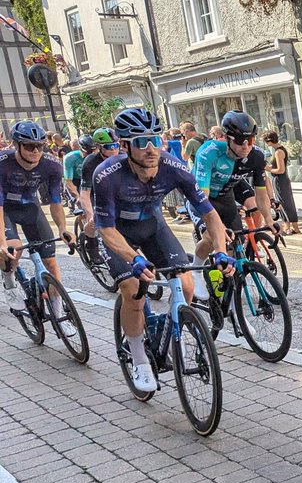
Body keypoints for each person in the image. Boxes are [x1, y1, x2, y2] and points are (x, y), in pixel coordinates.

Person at [92, 107, 234, 392]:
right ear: (124, 146)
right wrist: (133, 259)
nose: (150, 148)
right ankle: (140, 357)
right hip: (120, 235)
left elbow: (209, 215)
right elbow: (105, 229)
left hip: (154, 228)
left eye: (155, 140)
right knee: (133, 291)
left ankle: (167, 334)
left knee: (186, 286)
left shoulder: (174, 167)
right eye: (141, 142)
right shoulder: (106, 175)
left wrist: (220, 251)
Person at [189, 110, 272, 298]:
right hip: (202, 198)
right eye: (240, 141)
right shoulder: (208, 153)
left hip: (226, 198)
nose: (245, 146)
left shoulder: (256, 157)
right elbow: (203, 197)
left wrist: (268, 219)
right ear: (226, 138)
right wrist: (218, 227)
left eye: (249, 141)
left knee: (237, 241)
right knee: (212, 237)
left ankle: (231, 299)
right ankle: (195, 272)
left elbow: (260, 193)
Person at [0, 121, 74, 321]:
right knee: (13, 249)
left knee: (50, 260)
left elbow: (56, 202)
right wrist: (2, 242)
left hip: (30, 207)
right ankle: (9, 280)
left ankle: (58, 314)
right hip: (4, 209)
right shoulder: (2, 163)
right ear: (16, 145)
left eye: (39, 146)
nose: (35, 150)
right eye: (29, 146)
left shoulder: (52, 166)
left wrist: (62, 229)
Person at [77, 127, 120, 263]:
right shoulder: (90, 162)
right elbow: (85, 193)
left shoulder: (124, 156)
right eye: (109, 147)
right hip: (95, 193)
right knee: (94, 220)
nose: (114, 150)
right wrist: (90, 215)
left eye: (116, 145)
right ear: (99, 147)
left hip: (115, 191)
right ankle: (91, 245)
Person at [263, 131, 301, 235]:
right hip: (281, 179)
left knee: (283, 203)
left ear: (270, 141)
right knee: (287, 202)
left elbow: (280, 170)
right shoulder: (280, 150)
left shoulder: (278, 152)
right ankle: (294, 227)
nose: (266, 144)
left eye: (266, 141)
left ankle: (287, 227)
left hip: (280, 179)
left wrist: (267, 169)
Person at [62, 133, 94, 207]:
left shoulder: (98, 155)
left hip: (90, 179)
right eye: (87, 152)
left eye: (92, 152)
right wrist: (77, 197)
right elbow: (68, 181)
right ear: (80, 148)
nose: (90, 155)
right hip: (75, 180)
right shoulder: (70, 158)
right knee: (81, 205)